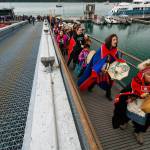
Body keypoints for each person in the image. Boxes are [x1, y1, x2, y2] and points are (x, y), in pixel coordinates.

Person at [112, 59, 150, 145]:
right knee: (127, 114)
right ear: (143, 74)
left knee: (142, 122)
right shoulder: (136, 81)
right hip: (133, 104)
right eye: (149, 74)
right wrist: (132, 96)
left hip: (144, 107)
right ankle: (124, 122)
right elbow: (127, 91)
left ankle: (138, 132)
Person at [78, 34, 124, 100]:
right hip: (99, 70)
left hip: (109, 70)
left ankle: (108, 94)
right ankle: (90, 87)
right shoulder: (102, 49)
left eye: (116, 40)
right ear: (109, 40)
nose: (116, 41)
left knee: (109, 83)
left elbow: (116, 60)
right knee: (95, 79)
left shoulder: (115, 51)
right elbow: (95, 60)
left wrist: (117, 65)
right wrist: (101, 66)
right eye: (114, 39)